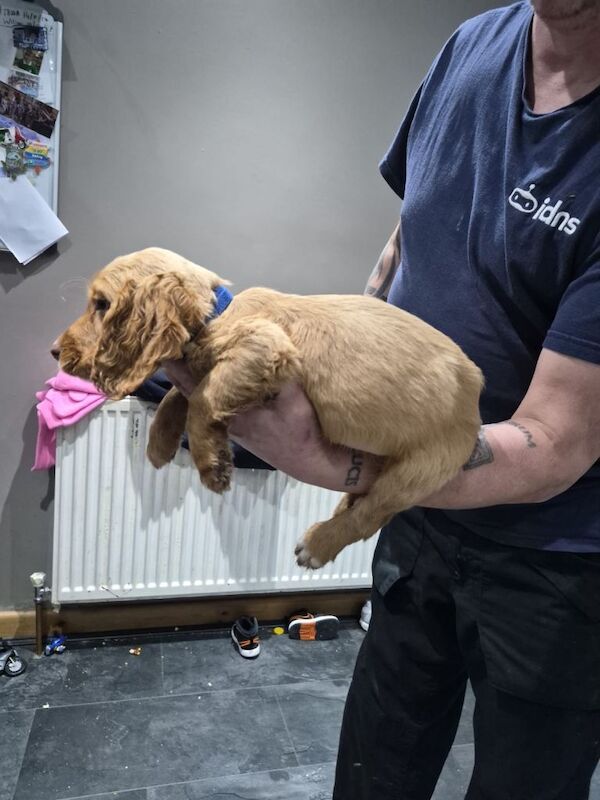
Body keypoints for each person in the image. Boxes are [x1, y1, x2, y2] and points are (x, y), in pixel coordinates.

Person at [165, 0, 600, 796]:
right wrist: (328, 371)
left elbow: (557, 443)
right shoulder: (471, 47)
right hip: (422, 527)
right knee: (375, 773)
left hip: (557, 563)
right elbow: (409, 238)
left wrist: (338, 464)